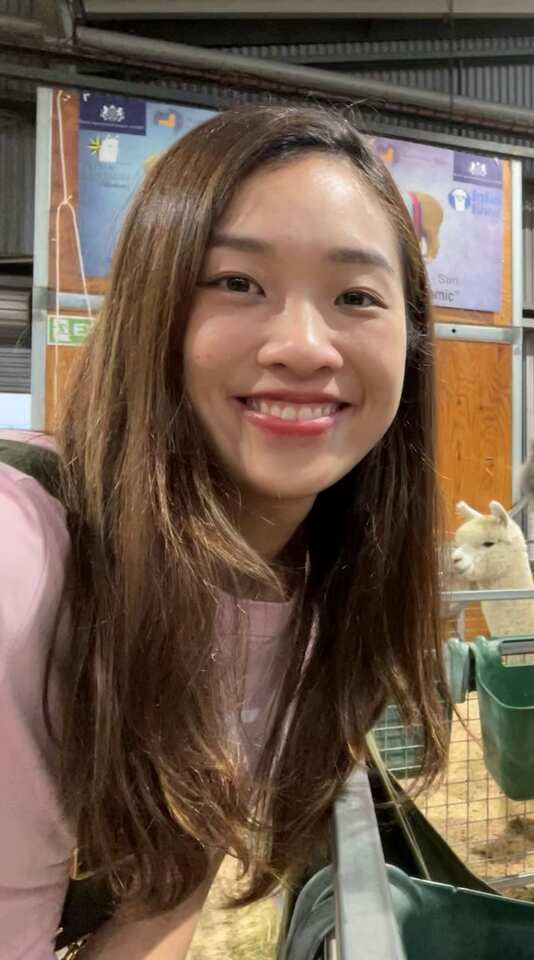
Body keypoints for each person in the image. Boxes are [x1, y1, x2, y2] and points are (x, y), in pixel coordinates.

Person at [0, 104, 448, 958]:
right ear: (151, 307)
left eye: (356, 296)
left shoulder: (304, 600)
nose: (304, 346)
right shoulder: (19, 563)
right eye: (237, 282)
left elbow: (160, 904)